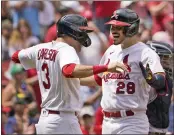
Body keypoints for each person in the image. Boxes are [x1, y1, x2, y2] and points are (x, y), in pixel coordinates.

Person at [11, 14, 128, 134]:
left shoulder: (41, 48)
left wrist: (101, 78)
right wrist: (106, 67)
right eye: (81, 32)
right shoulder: (66, 49)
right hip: (63, 120)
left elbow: (15, 57)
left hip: (45, 120)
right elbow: (69, 70)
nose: (84, 37)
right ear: (72, 31)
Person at [80, 8, 167, 134]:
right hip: (108, 122)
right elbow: (99, 79)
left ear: (132, 29)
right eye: (112, 27)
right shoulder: (111, 51)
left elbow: (161, 81)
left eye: (118, 27)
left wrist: (152, 80)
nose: (113, 31)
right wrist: (73, 80)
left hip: (132, 121)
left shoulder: (146, 53)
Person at [146, 41, 173, 135]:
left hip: (162, 130)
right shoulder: (144, 78)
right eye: (165, 58)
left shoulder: (168, 79)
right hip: (146, 129)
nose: (169, 63)